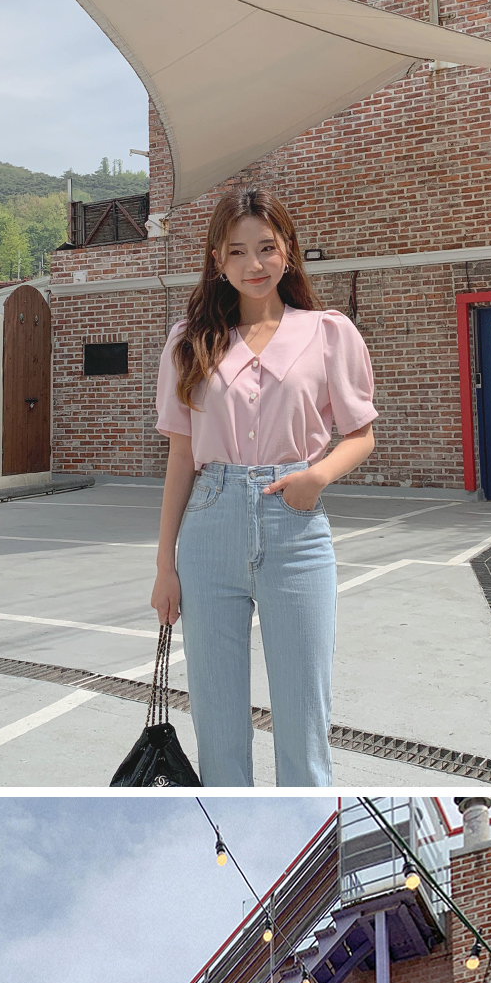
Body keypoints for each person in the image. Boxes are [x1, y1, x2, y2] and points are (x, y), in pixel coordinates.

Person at [152, 184, 377, 788]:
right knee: (217, 720)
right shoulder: (189, 341)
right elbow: (181, 456)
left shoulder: (327, 333)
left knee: (304, 719)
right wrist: (165, 565)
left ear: (288, 251)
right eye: (236, 251)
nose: (254, 264)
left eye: (266, 248)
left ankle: (308, 829)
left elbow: (360, 435)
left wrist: (316, 477)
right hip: (209, 526)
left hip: (295, 526)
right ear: (217, 261)